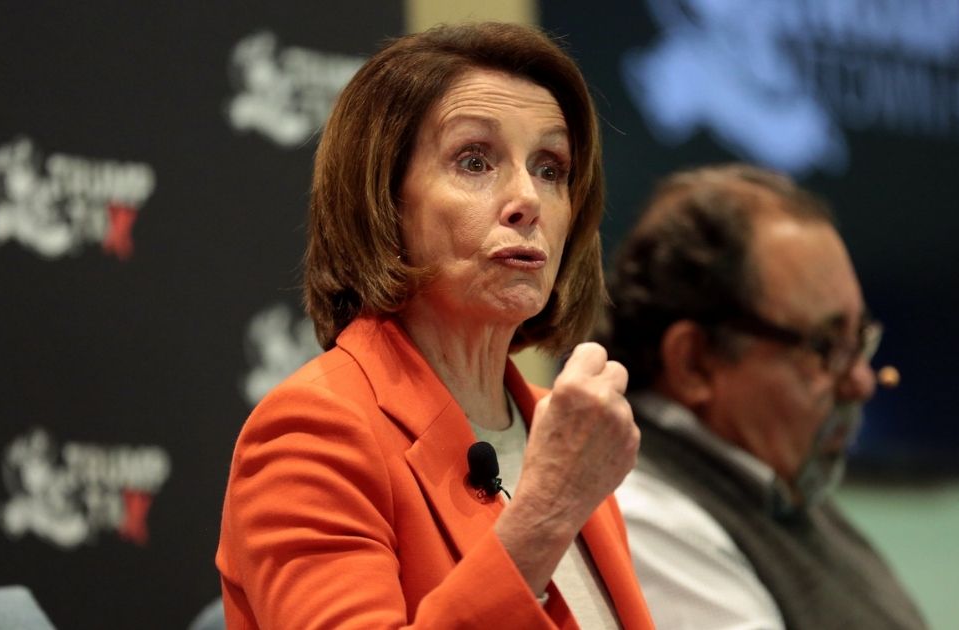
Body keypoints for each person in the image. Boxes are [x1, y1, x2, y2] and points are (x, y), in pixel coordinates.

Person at [216, 22, 653, 630]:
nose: (527, 197)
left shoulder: (560, 427)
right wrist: (547, 512)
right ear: (383, 198)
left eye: (551, 167)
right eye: (474, 161)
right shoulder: (315, 435)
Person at [604, 165, 925, 630]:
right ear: (694, 362)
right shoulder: (642, 517)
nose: (861, 382)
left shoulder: (780, 486)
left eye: (859, 339)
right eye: (823, 347)